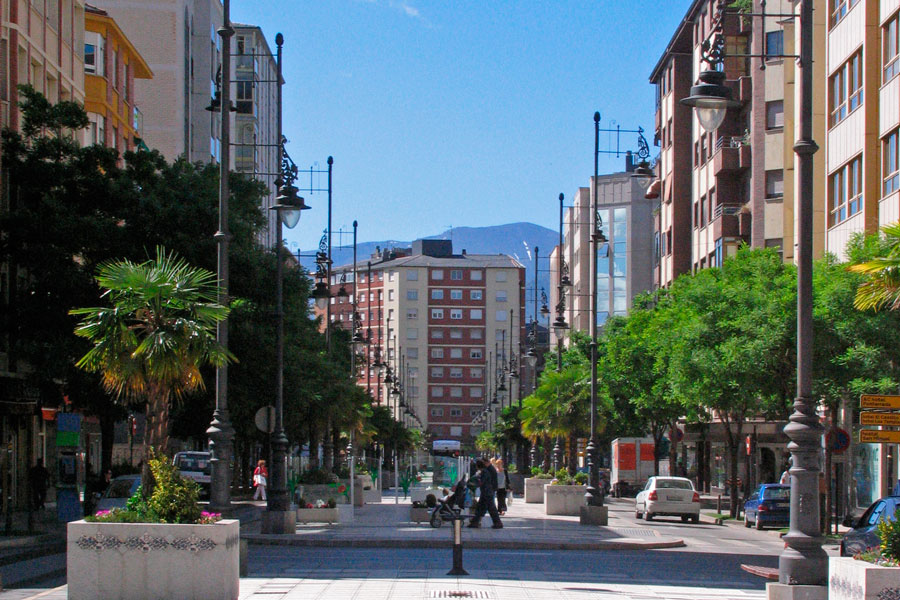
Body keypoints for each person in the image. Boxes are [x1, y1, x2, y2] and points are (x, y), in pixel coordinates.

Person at [468, 458, 502, 529]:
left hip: (487, 492)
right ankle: (475, 522)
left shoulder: (485, 472)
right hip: (487, 492)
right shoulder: (486, 471)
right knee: (482, 508)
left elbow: (481, 481)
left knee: (490, 508)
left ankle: (497, 523)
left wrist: (474, 485)